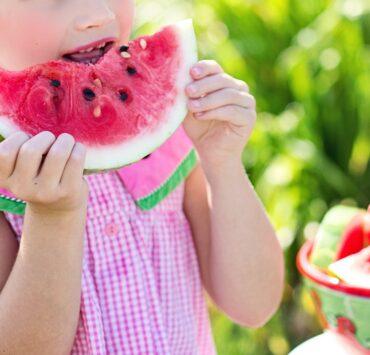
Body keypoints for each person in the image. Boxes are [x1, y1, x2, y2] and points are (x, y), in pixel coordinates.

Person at [0, 0, 284, 354]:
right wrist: (53, 218)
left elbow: (255, 304)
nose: (98, 15)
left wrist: (223, 163)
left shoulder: (170, 140)